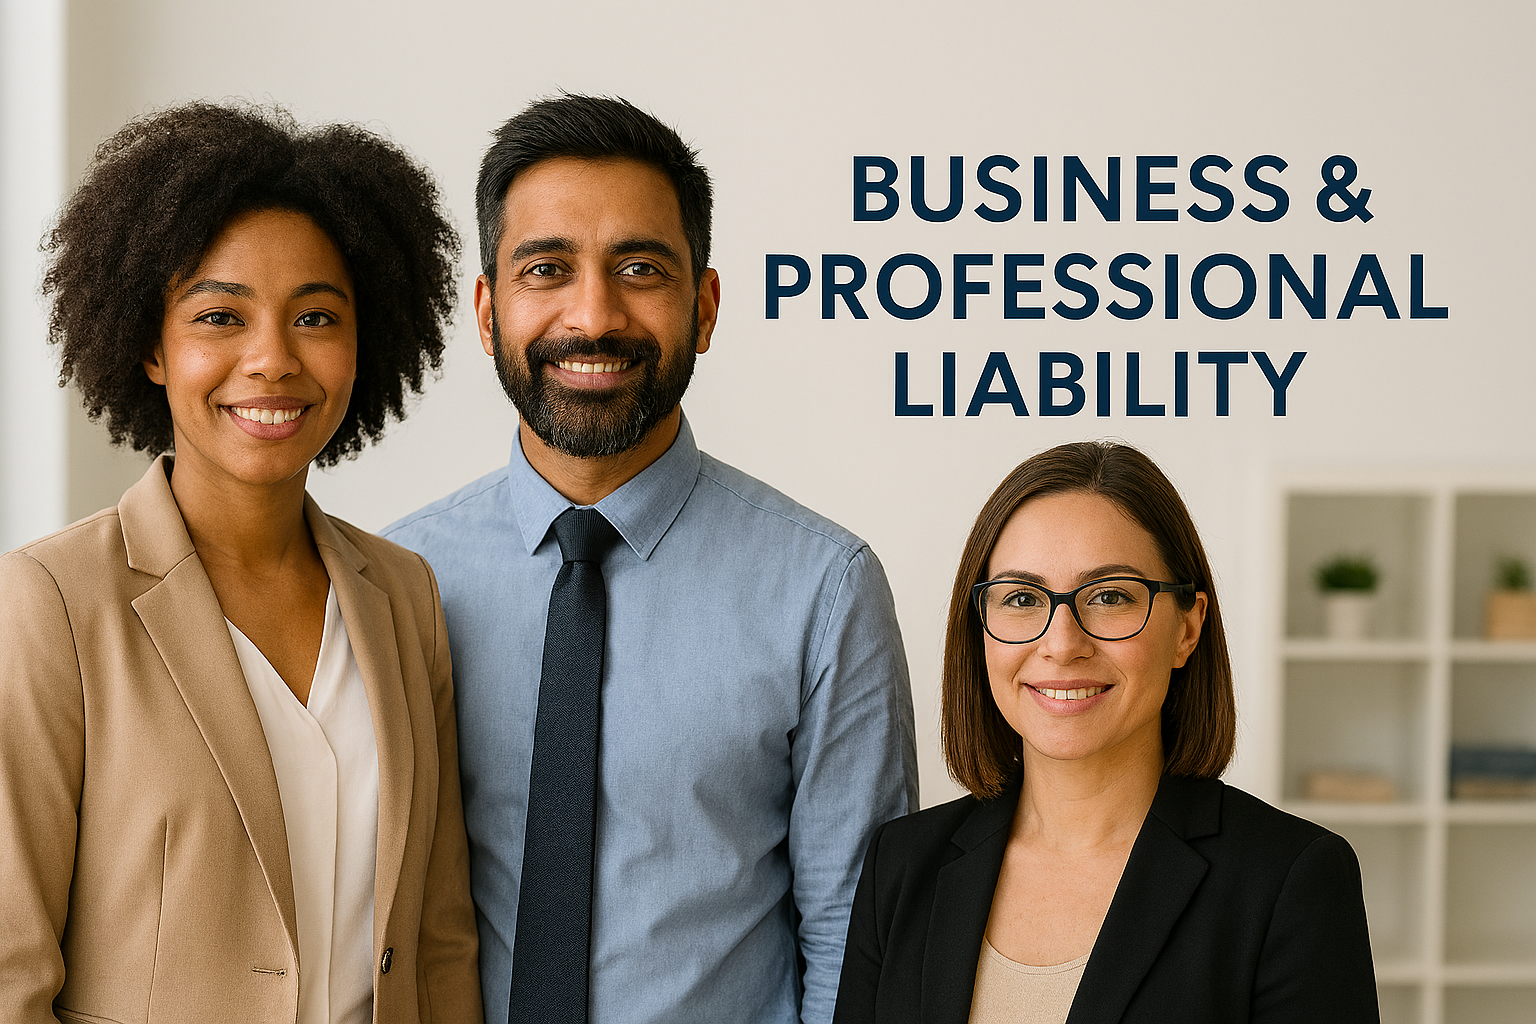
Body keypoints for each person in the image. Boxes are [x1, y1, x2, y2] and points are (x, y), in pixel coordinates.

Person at [383, 93, 918, 1024]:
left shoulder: (823, 591)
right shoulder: (394, 582)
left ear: (704, 307)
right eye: (547, 268)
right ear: (486, 308)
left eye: (640, 268)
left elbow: (855, 941)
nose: (594, 315)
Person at [0, 103, 482, 1024]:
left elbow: (436, 938)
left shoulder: (404, 596)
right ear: (151, 345)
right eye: (221, 316)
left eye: (315, 317)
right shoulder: (51, 603)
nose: (271, 360)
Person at [833, 441, 1380, 1023]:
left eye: (1110, 596)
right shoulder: (902, 864)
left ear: (1187, 629)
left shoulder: (1291, 881)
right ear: (981, 631)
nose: (1062, 644)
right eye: (1021, 598)